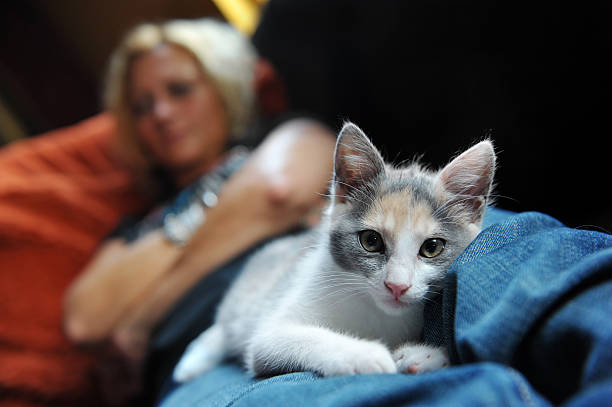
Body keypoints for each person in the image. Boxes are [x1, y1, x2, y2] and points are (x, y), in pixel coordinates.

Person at [61, 17, 335, 395]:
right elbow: (86, 320)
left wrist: (139, 320)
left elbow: (278, 190)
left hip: (324, 299)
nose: (160, 113)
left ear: (223, 88)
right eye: (142, 107)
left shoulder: (280, 133)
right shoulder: (137, 224)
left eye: (179, 89)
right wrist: (229, 212)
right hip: (205, 371)